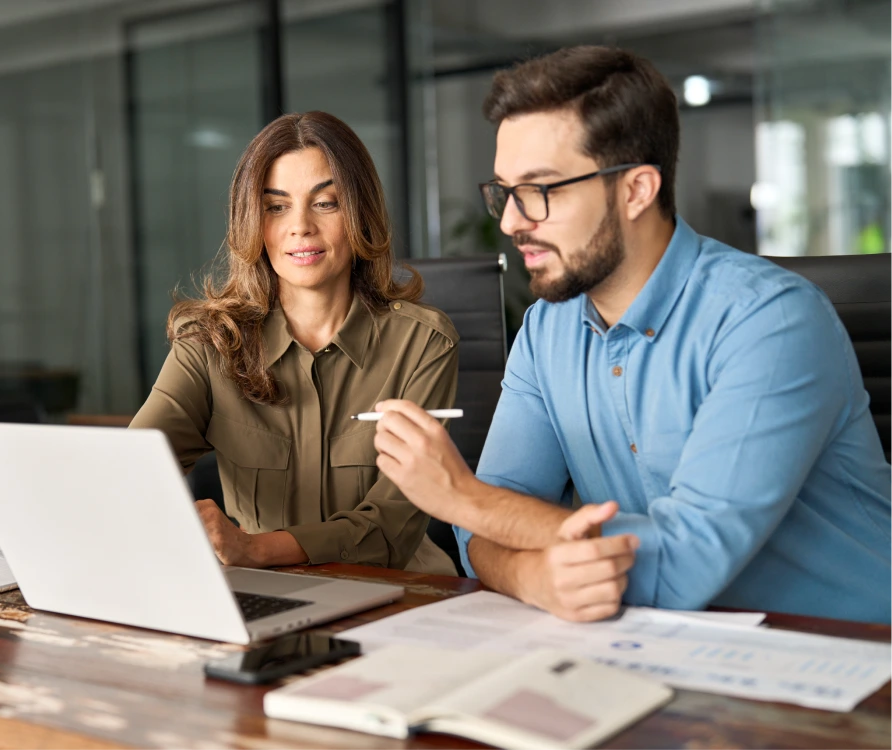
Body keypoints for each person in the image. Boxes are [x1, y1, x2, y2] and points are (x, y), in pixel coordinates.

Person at [373, 46, 892, 624]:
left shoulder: (772, 322)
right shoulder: (548, 330)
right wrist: (531, 576)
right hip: (667, 653)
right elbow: (483, 536)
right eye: (503, 191)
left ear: (637, 190)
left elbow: (680, 566)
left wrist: (461, 497)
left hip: (850, 658)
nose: (511, 221)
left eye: (541, 190)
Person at [131, 111, 459, 575]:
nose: (300, 226)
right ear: (252, 220)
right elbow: (134, 466)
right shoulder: (208, 344)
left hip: (400, 592)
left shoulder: (422, 343)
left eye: (326, 203)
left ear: (360, 212)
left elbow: (392, 523)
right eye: (276, 206)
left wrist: (256, 550)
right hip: (263, 596)